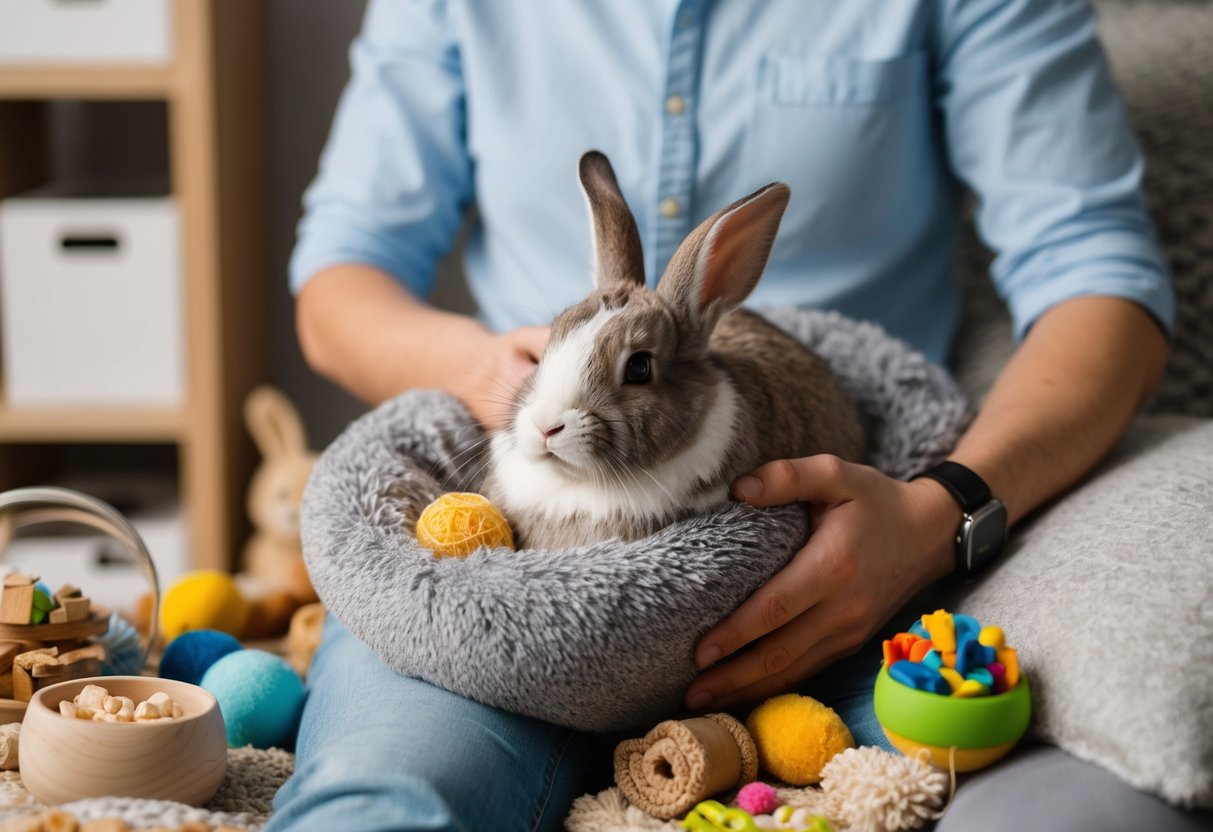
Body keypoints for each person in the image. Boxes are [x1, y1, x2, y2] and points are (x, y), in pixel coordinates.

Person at [267, 2, 1203, 830]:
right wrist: (498, 375)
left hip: (867, 554)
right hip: (515, 545)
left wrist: (938, 511)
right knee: (380, 793)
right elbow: (340, 278)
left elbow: (1098, 278)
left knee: (1081, 800)